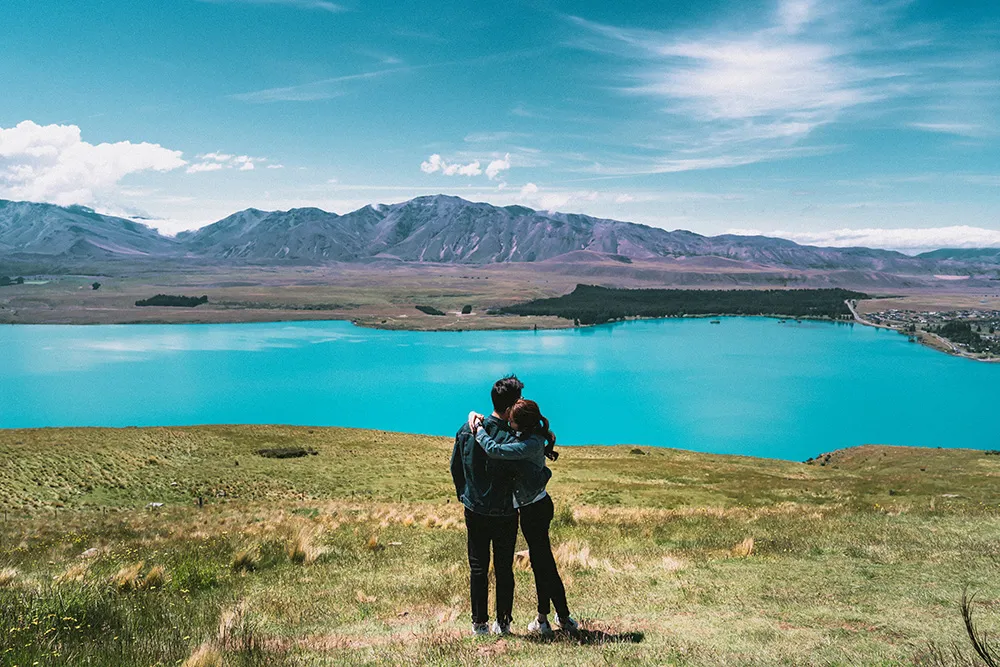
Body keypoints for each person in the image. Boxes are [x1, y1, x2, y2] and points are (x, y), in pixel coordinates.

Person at [468, 398, 579, 636]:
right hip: (535, 507)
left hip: (533, 511)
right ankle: (554, 617)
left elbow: (495, 450)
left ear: (521, 424)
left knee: (543, 565)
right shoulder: (529, 436)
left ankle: (556, 617)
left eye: (512, 419)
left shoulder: (527, 444)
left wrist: (478, 428)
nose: (508, 420)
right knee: (543, 563)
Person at [450, 375, 523, 636]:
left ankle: (479, 624)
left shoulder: (465, 430)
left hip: (475, 510)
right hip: (505, 512)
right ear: (511, 406)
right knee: (504, 568)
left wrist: (465, 496)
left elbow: (455, 468)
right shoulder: (514, 437)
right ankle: (503, 623)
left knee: (478, 567)